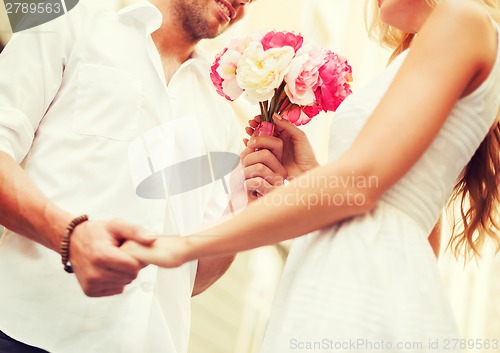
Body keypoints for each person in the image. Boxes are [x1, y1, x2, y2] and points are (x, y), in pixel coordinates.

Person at [123, 0, 500, 351]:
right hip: (353, 269)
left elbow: (358, 185)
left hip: (357, 282)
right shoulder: (420, 49)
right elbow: (407, 223)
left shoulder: (460, 19)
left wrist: (185, 244)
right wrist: (309, 175)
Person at [0, 0, 255, 352]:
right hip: (29, 334)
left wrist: (250, 199)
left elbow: (191, 278)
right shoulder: (68, 21)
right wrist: (70, 237)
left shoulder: (221, 110)